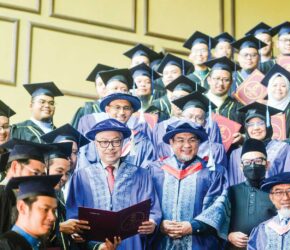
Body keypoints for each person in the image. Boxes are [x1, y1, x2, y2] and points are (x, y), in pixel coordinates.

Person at [66, 118, 161, 249]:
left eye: (116, 141)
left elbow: (153, 209)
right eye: (104, 142)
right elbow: (73, 213)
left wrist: (152, 223)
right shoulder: (81, 176)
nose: (110, 147)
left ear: (123, 143)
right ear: (96, 144)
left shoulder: (141, 175)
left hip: (131, 243)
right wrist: (75, 231)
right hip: (95, 245)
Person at [146, 120, 227, 249]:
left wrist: (193, 226)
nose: (187, 145)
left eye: (192, 140)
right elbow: (147, 204)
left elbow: (219, 206)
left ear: (199, 143)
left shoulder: (214, 172)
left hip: (199, 243)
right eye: (180, 140)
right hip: (162, 243)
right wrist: (158, 223)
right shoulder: (154, 170)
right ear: (171, 143)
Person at [193, 139, 276, 250]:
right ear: (241, 167)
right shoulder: (230, 192)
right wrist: (229, 236)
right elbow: (217, 222)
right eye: (247, 162)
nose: (253, 165)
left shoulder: (277, 193)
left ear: (267, 165)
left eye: (258, 161)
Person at [227, 102, 290, 186]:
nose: (256, 128)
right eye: (251, 124)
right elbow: (232, 186)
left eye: (261, 123)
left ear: (268, 125)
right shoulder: (236, 154)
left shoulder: (285, 150)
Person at [78, 93, 155, 168]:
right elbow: (84, 167)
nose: (122, 112)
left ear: (132, 111)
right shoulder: (94, 137)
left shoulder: (140, 140)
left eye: (126, 108)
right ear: (107, 109)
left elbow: (147, 169)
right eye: (117, 107)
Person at [157, 91, 227, 167]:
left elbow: (219, 176)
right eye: (189, 117)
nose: (193, 121)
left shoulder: (215, 150)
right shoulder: (167, 146)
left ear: (205, 123)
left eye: (199, 118)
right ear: (181, 119)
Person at [0, 175, 64, 250]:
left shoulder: (39, 244)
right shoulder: (5, 246)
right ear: (22, 207)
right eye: (45, 209)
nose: (53, 217)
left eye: (54, 210)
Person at [0, 140, 51, 234]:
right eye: (35, 173)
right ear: (15, 167)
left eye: (42, 175)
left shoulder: (23, 196)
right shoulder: (4, 195)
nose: (38, 181)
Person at [204, 57, 245, 130]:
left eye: (226, 80)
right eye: (217, 78)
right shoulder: (199, 103)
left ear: (231, 83)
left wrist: (242, 137)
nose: (220, 83)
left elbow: (246, 131)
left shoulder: (239, 108)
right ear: (209, 80)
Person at [150, 53, 194, 121]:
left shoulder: (191, 103)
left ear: (182, 76)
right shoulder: (156, 105)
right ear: (162, 79)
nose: (169, 76)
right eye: (166, 73)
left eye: (174, 72)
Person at [71, 63, 114, 129]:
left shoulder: (123, 109)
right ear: (96, 88)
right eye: (100, 84)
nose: (103, 87)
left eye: (106, 83)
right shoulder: (85, 111)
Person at [261, 63, 290, 137]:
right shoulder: (261, 108)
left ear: (288, 89)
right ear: (269, 88)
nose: (278, 88)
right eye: (274, 85)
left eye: (283, 86)